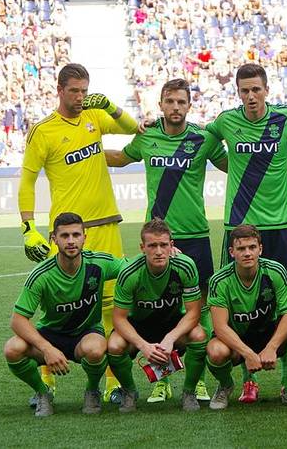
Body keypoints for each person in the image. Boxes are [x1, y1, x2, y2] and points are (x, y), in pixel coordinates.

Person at [18, 63, 138, 404]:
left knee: (113, 306)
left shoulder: (94, 117)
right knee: (56, 308)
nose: (80, 97)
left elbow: (133, 129)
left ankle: (113, 385)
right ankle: (46, 384)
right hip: (68, 233)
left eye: (84, 90)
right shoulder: (43, 131)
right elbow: (27, 181)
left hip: (106, 224)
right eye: (74, 91)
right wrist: (28, 228)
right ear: (59, 90)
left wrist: (109, 105)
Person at [105, 78, 227, 403]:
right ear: (160, 104)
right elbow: (121, 158)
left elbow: (234, 165)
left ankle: (197, 380)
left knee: (199, 309)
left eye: (181, 102)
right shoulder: (147, 136)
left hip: (195, 234)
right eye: (169, 101)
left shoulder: (204, 138)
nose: (175, 107)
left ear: (189, 105)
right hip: (158, 237)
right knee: (159, 311)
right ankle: (162, 379)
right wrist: (83, 149)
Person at [204, 63, 287, 403]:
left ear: (266, 90)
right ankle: (248, 379)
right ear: (238, 93)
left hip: (280, 225)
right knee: (236, 306)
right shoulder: (226, 121)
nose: (251, 96)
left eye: (256, 90)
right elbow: (202, 141)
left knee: (285, 305)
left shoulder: (285, 118)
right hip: (238, 225)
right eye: (244, 91)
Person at [3, 213, 127, 417]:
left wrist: (168, 255)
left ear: (84, 237)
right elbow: (17, 320)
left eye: (76, 235)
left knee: (96, 349)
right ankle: (42, 393)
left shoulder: (99, 263)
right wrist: (47, 348)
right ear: (54, 239)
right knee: (12, 349)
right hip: (51, 334)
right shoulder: (41, 275)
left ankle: (92, 390)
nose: (71, 241)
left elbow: (132, 268)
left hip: (86, 333)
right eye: (65, 235)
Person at [205, 224, 287, 410]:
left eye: (252, 247)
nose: (247, 253)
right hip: (236, 339)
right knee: (215, 351)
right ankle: (225, 386)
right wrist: (248, 354)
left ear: (260, 249)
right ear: (232, 252)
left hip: (268, 334)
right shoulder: (219, 280)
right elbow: (220, 327)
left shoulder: (275, 271)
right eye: (241, 249)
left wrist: (271, 347)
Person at [107, 219, 207, 412]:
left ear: (171, 245)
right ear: (142, 248)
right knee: (114, 345)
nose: (159, 251)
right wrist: (143, 346)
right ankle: (129, 392)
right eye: (152, 246)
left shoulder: (185, 266)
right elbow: (119, 318)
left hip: (172, 324)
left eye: (163, 245)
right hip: (139, 326)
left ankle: (188, 392)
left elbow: (194, 312)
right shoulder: (130, 273)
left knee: (199, 335)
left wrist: (170, 338)